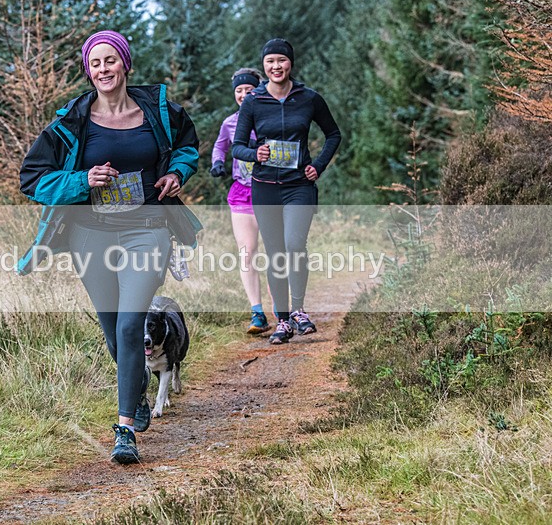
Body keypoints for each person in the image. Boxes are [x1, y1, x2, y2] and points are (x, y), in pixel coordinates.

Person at [17, 30, 200, 464]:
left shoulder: (158, 111)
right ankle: (135, 391)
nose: (103, 69)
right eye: (95, 63)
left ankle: (123, 431)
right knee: (111, 328)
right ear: (88, 69)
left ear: (125, 64)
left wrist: (177, 172)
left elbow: (188, 146)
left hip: (149, 228)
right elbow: (31, 179)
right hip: (91, 234)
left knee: (130, 323)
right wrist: (83, 180)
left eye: (110, 60)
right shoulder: (71, 122)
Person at [232, 38, 341, 344]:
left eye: (281, 61)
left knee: (295, 244)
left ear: (290, 63)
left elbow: (333, 134)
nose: (276, 67)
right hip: (265, 187)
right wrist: (257, 154)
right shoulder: (253, 100)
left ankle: (299, 310)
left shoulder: (308, 98)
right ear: (264, 66)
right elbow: (238, 147)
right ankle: (282, 320)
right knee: (276, 253)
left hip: (299, 186)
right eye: (270, 62)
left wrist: (317, 166)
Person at [211, 68, 273, 335]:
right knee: (247, 253)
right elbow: (220, 146)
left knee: (277, 254)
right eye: (239, 90)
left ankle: (286, 311)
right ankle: (257, 312)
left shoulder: (271, 118)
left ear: (258, 90)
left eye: (249, 89)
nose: (243, 94)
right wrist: (217, 163)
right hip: (241, 193)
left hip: (270, 191)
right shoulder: (230, 122)